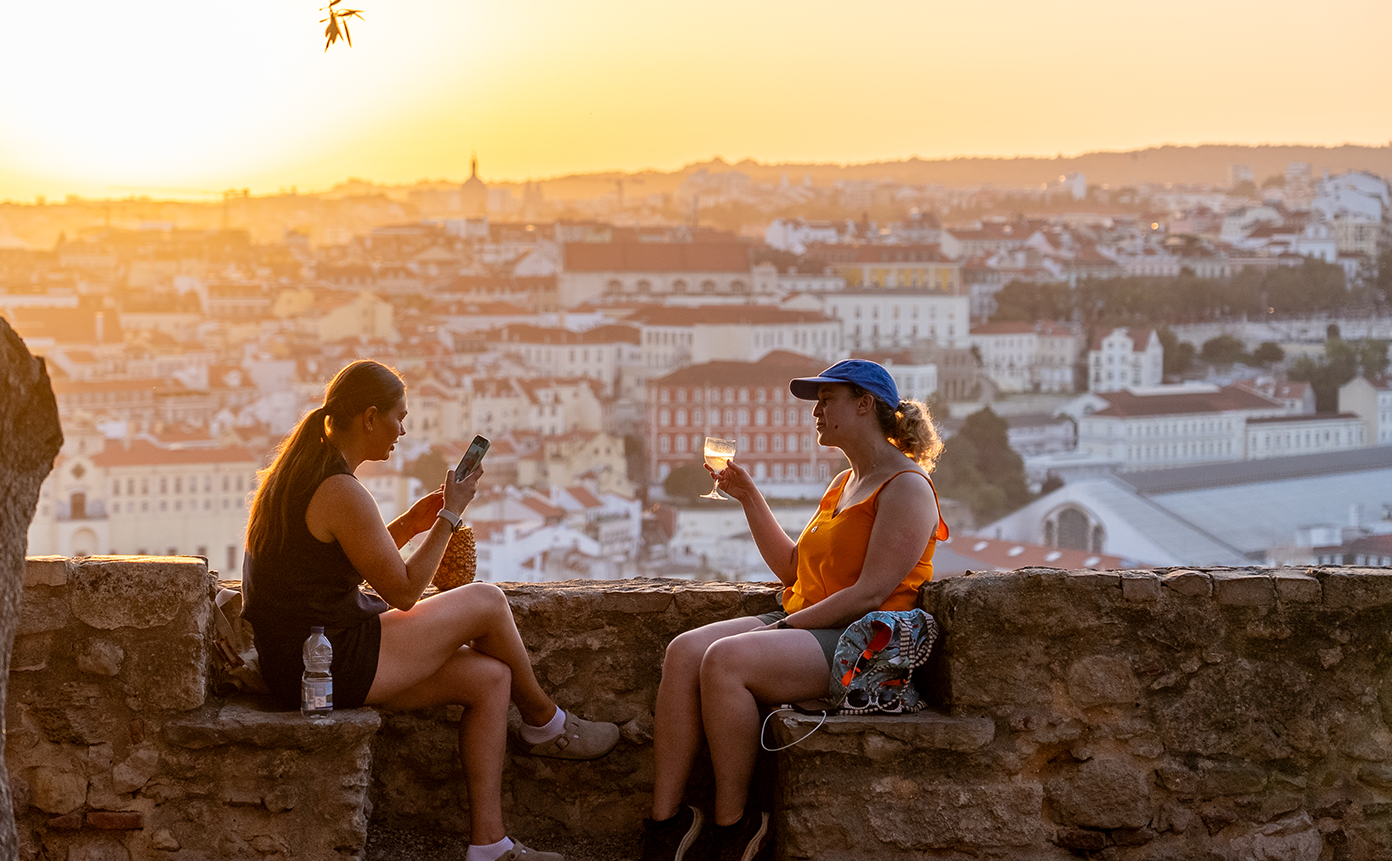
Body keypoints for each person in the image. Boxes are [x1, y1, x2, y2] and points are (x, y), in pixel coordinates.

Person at [242, 360, 620, 861]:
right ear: (370, 417)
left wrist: (411, 524)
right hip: (327, 662)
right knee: (487, 600)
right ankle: (545, 722)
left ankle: (490, 846)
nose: (405, 429)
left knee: (487, 679)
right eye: (400, 416)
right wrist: (448, 515)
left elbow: (335, 566)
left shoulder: (302, 472)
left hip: (306, 662)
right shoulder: (340, 490)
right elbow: (402, 591)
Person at [641, 359, 948, 861]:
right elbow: (792, 569)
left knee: (725, 661)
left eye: (827, 401)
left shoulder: (906, 487)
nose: (816, 412)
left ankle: (734, 826)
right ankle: (666, 824)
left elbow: (871, 593)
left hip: (858, 641)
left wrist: (783, 627)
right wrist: (748, 497)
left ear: (865, 404)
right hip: (808, 617)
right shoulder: (845, 483)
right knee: (683, 652)